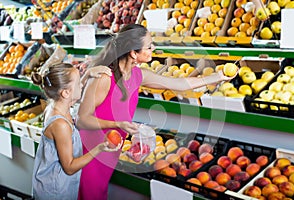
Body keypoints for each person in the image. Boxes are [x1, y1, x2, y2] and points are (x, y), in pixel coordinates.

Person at [76, 24, 238, 200]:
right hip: (91, 151)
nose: (153, 48)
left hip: (111, 148)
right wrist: (117, 124)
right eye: (149, 46)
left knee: (99, 194)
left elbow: (180, 84)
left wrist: (217, 77)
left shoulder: (139, 75)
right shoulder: (104, 78)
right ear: (133, 53)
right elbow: (82, 119)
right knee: (88, 194)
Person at [31, 63, 129, 200]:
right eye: (78, 84)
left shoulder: (56, 105)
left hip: (57, 184)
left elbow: (70, 95)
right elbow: (69, 167)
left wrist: (87, 74)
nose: (82, 85)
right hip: (55, 192)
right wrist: (99, 148)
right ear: (65, 92)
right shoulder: (60, 125)